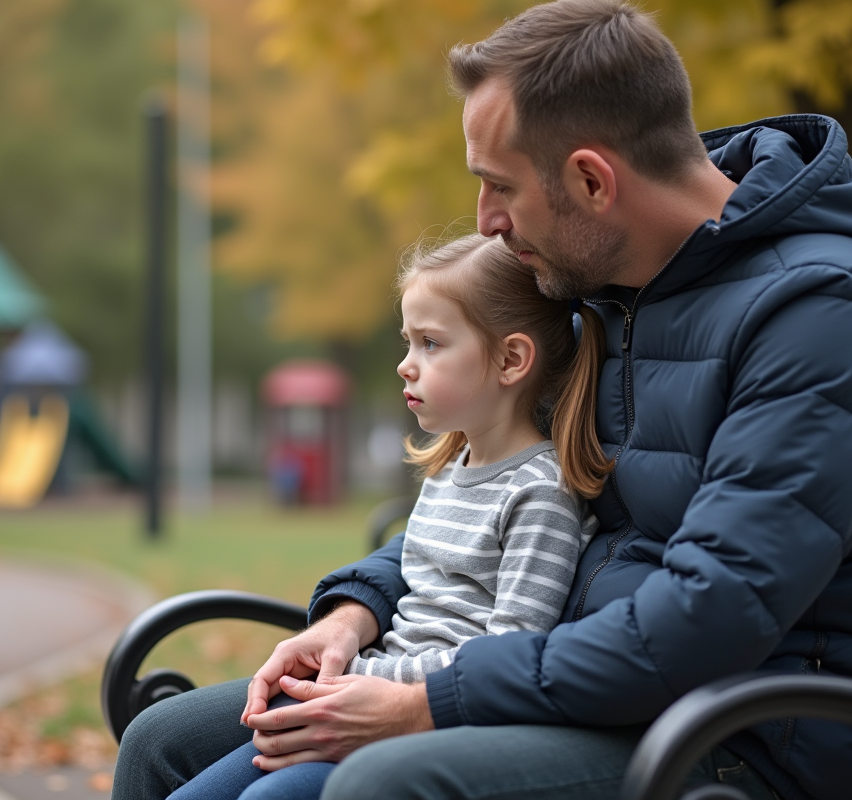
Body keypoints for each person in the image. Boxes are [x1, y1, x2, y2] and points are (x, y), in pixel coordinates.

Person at [113, 2, 852, 799]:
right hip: (584, 679)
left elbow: (710, 616)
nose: (485, 221)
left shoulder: (823, 321)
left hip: (738, 736)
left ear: (593, 181)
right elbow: (495, 483)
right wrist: (352, 614)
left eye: (501, 186)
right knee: (167, 741)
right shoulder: (614, 290)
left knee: (378, 782)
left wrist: (428, 704)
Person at [169, 233, 608, 800]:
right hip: (361, 693)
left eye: (431, 343)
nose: (406, 366)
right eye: (407, 342)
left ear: (511, 359)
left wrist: (361, 681)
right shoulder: (451, 468)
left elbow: (509, 654)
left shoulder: (539, 494)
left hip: (417, 727)